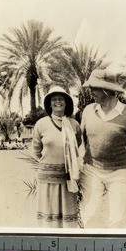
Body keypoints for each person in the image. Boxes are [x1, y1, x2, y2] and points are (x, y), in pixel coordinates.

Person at [80, 69, 126, 228]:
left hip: (119, 174)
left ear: (106, 90)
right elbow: (82, 137)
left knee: (117, 219)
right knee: (89, 214)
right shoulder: (88, 111)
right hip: (91, 170)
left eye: (94, 88)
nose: (91, 92)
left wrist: (121, 162)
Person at [32, 86, 82, 228]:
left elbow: (77, 146)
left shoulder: (74, 125)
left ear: (66, 103)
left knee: (68, 221)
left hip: (69, 179)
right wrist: (49, 167)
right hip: (48, 180)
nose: (57, 102)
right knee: (49, 220)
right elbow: (36, 150)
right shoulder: (41, 124)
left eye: (61, 99)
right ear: (49, 103)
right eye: (54, 99)